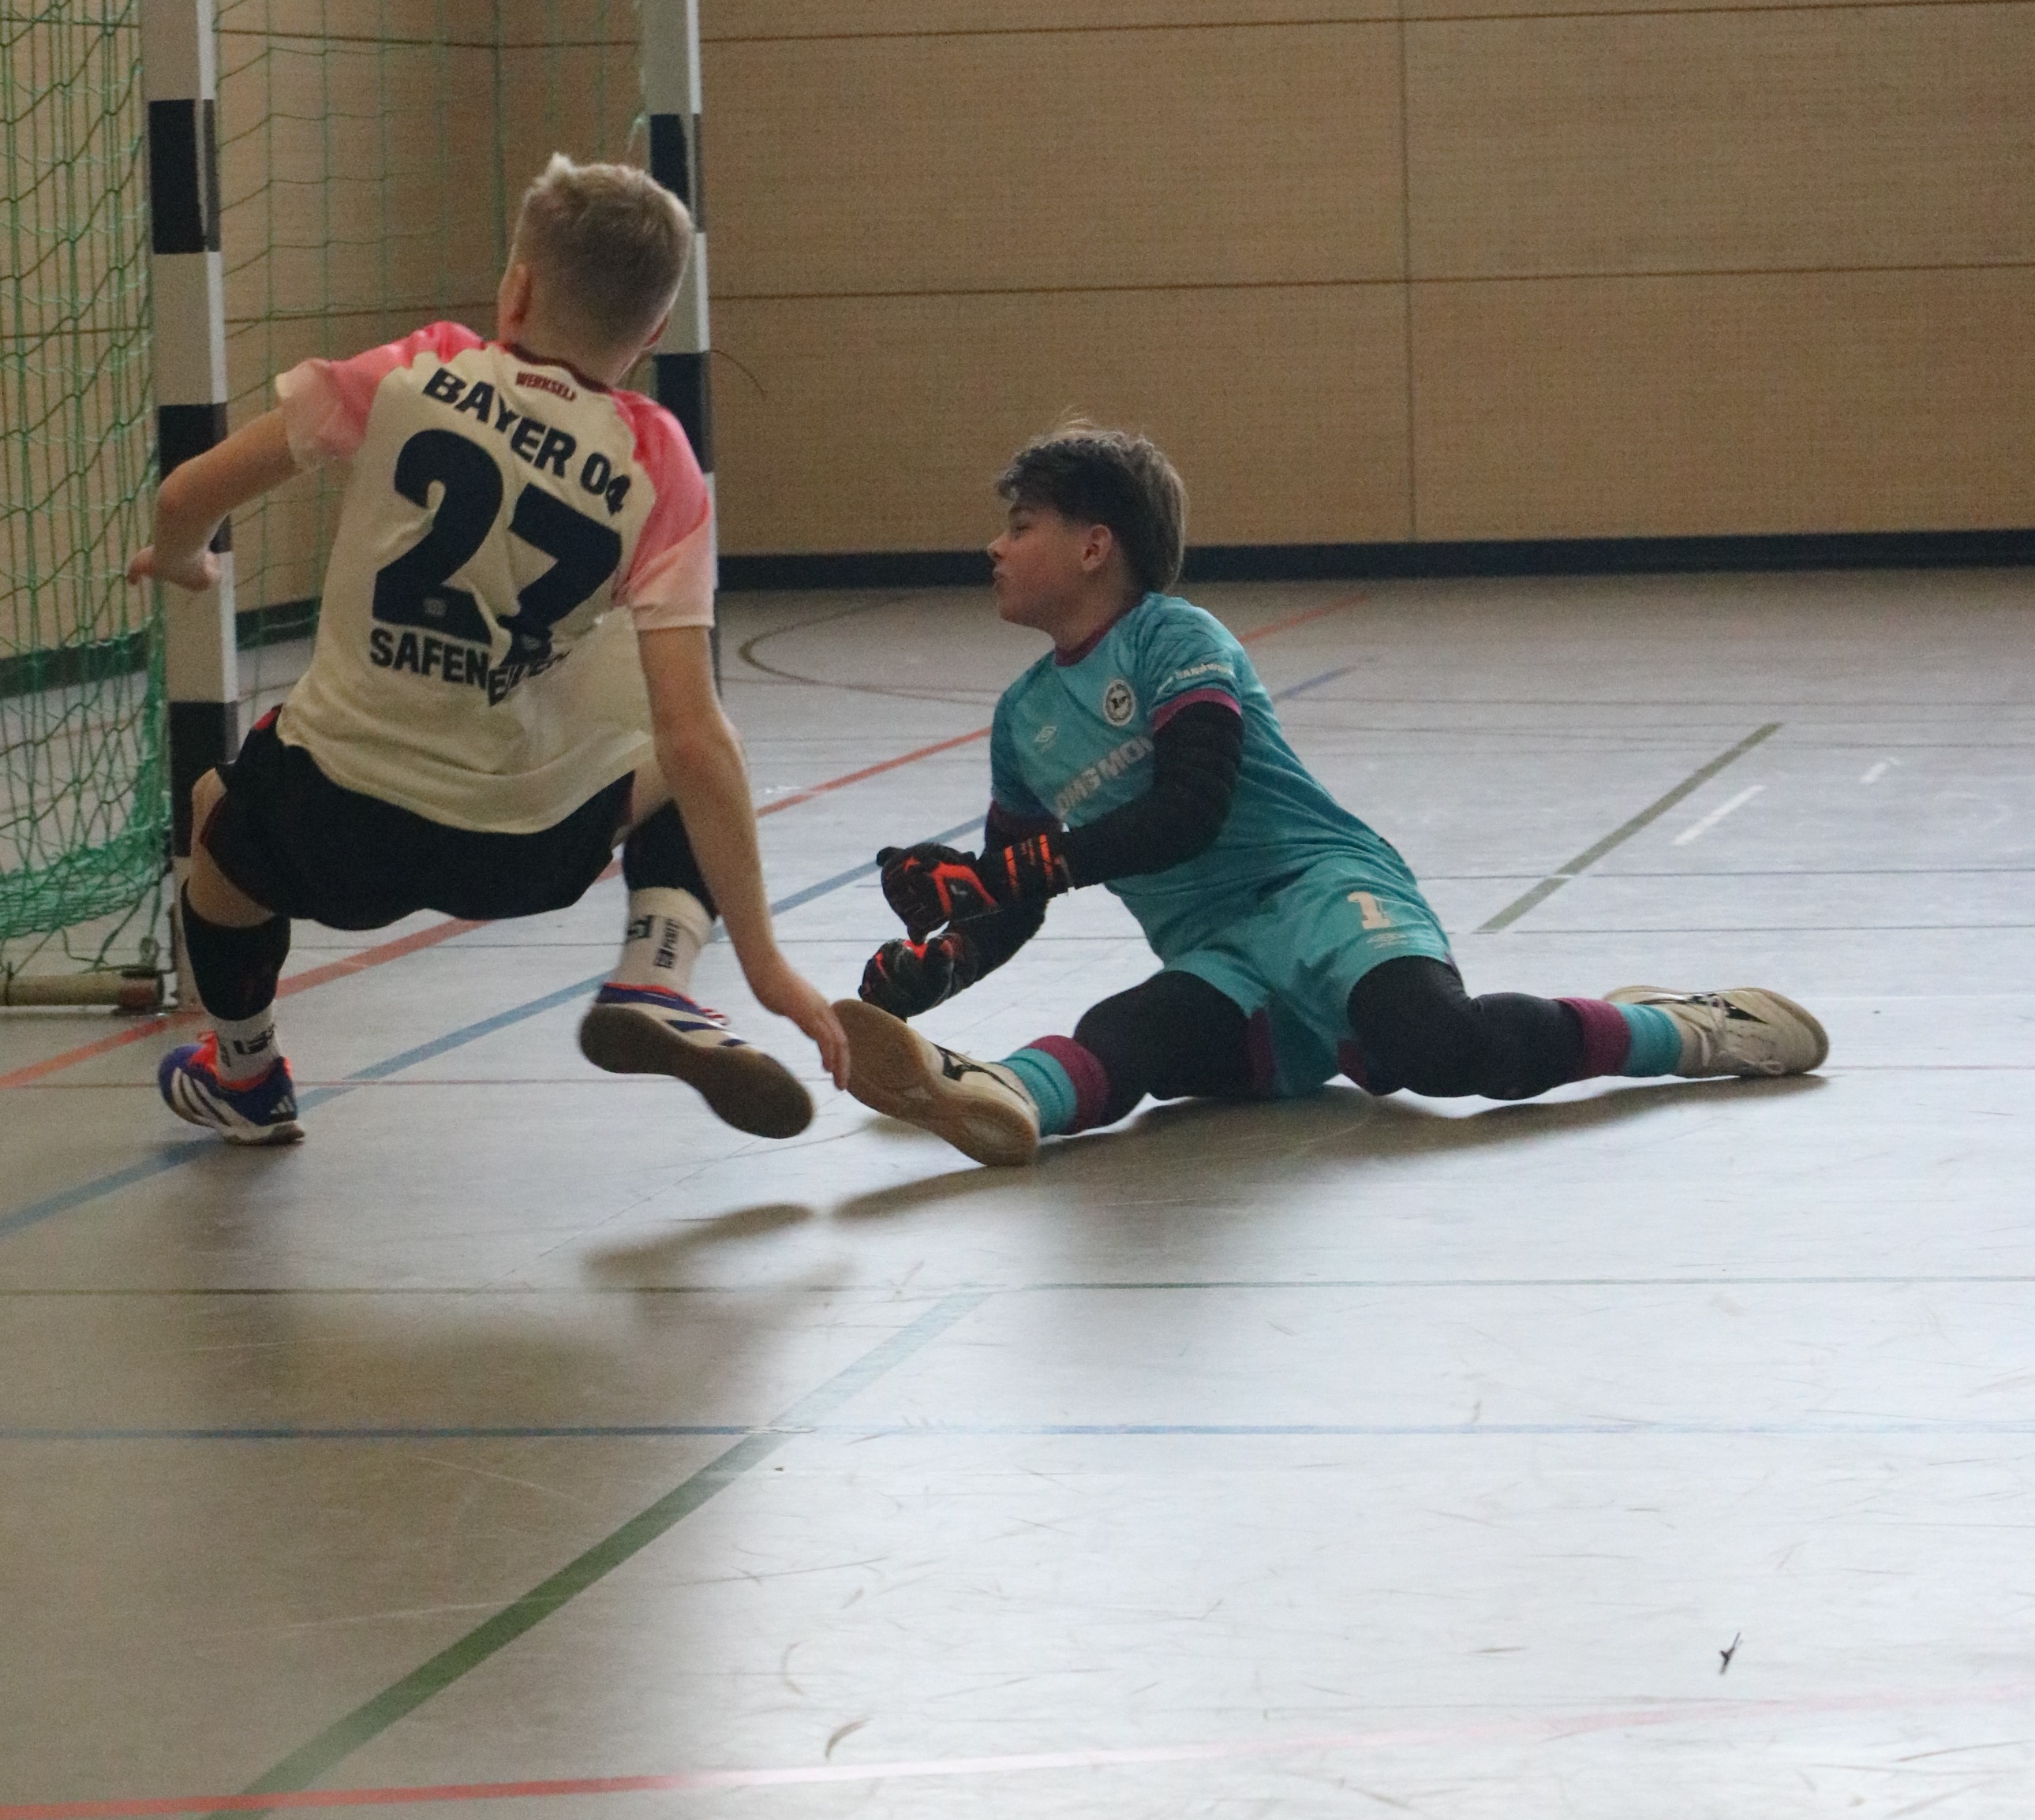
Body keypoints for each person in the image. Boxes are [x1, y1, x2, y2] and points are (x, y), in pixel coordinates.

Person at [833, 425, 1826, 1171]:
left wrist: (999, 873)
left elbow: (1189, 811)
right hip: (1218, 957)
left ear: (1094, 546)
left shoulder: (1175, 639)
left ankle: (1688, 1028)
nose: (994, 549)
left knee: (1438, 1053)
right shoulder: (1022, 718)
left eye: (1019, 527)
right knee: (1129, 1035)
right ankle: (998, 1091)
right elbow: (1021, 898)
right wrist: (946, 958)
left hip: (1320, 889)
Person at [130, 155, 846, 1149]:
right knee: (676, 713)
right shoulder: (660, 462)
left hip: (331, 818)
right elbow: (695, 741)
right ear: (646, 338)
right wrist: (767, 964)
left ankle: (245, 1073)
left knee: (217, 813)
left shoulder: (418, 369)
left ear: (516, 285)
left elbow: (184, 500)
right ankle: (657, 972)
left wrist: (182, 562)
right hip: (523, 847)